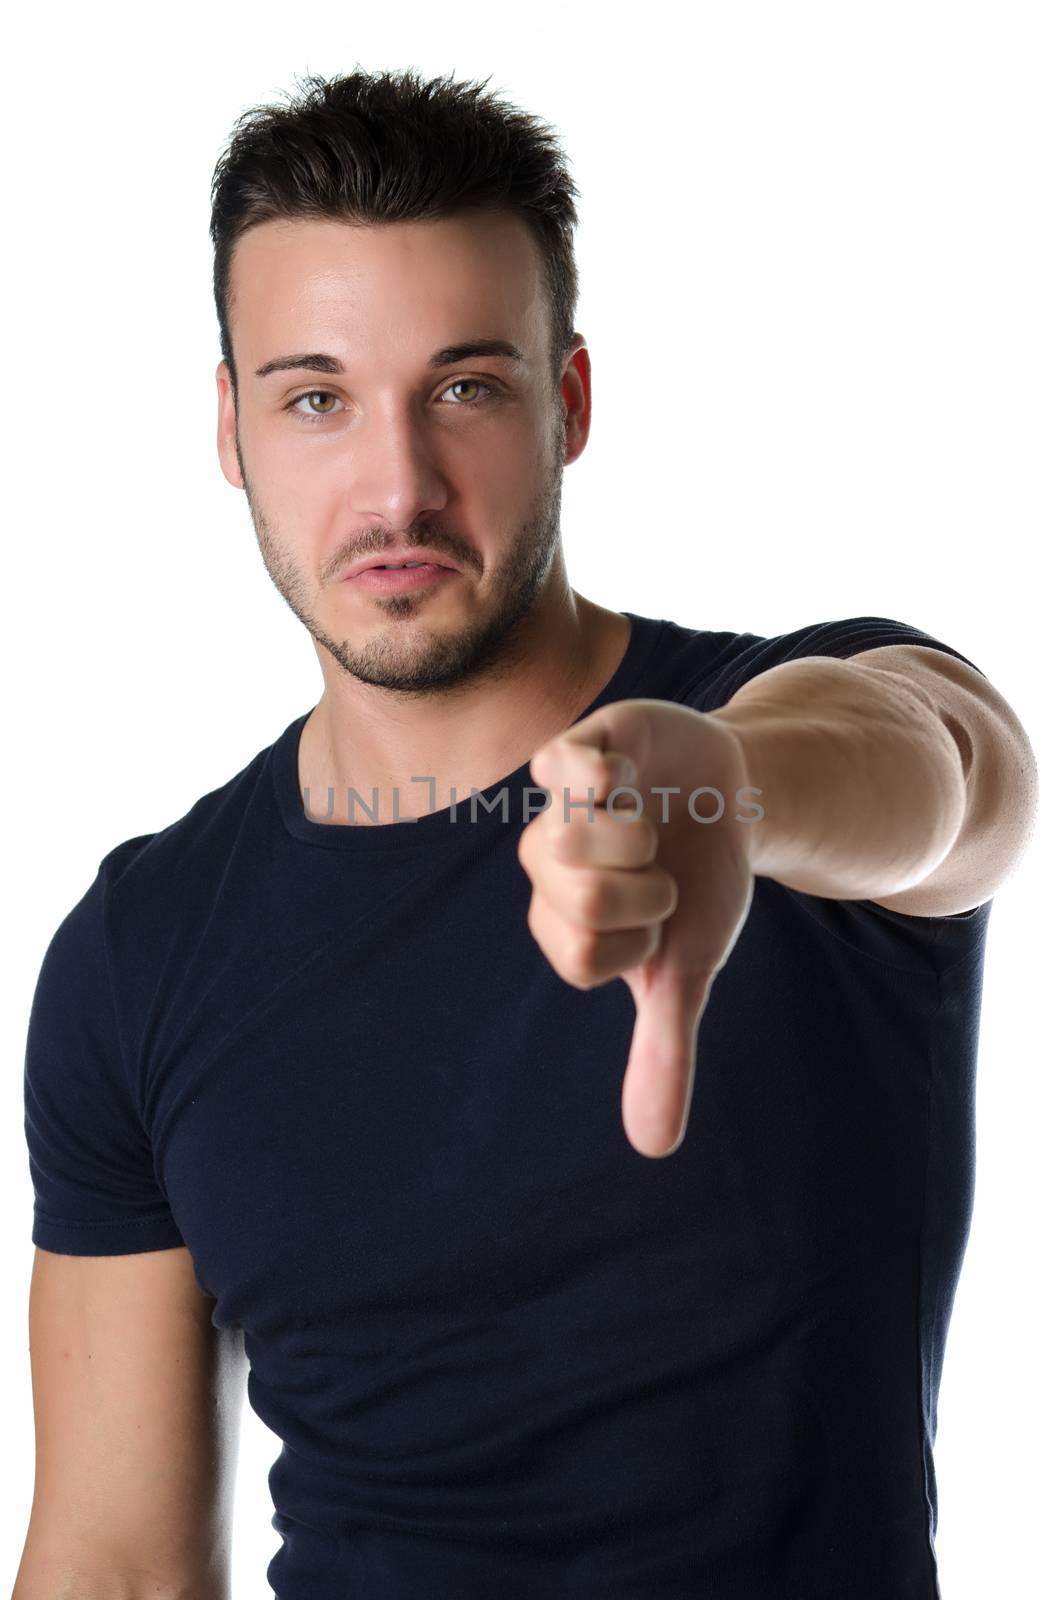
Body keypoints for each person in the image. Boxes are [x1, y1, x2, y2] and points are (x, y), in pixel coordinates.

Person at [15, 66, 1037, 1600]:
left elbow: (954, 778)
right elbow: (111, 1562)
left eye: (465, 387)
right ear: (231, 428)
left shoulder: (790, 737)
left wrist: (725, 796)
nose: (397, 485)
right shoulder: (135, 953)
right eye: (315, 398)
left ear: (566, 401)